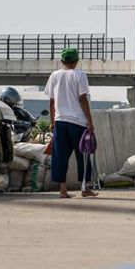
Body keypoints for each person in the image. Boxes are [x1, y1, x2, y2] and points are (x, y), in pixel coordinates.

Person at [45, 48, 97, 198]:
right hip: (78, 122)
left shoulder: (54, 75)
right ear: (76, 62)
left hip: (60, 122)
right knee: (84, 155)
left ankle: (62, 190)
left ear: (62, 62)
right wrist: (90, 122)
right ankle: (84, 189)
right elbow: (82, 99)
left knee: (60, 156)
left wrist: (52, 122)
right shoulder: (80, 75)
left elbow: (51, 102)